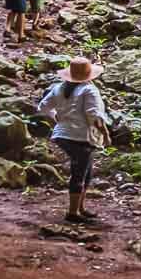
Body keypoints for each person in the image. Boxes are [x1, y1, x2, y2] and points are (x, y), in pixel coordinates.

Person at [38, 57, 110, 224]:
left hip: (62, 135)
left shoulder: (58, 88)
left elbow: (43, 107)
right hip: (81, 136)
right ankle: (72, 212)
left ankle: (80, 208)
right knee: (79, 173)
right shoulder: (89, 90)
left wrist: (56, 119)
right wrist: (106, 134)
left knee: (86, 171)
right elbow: (94, 115)